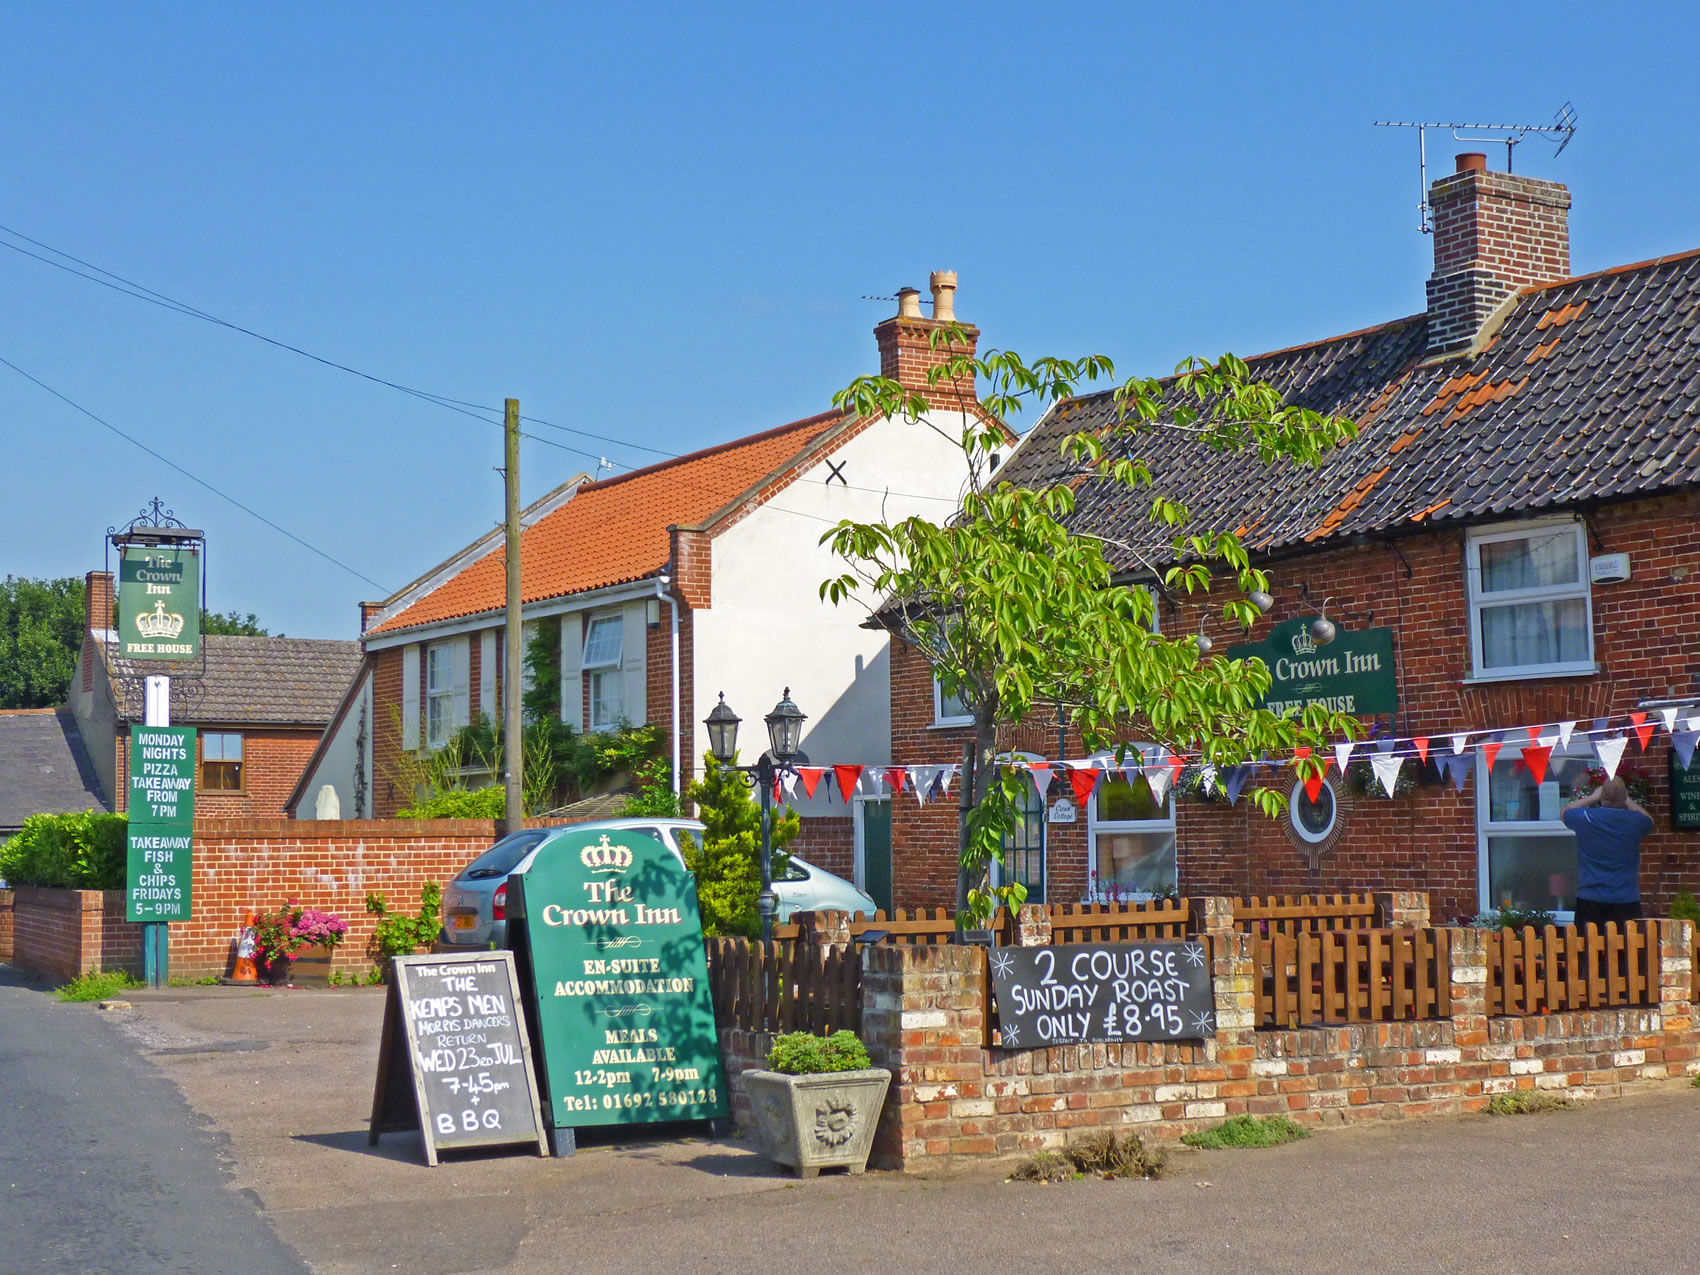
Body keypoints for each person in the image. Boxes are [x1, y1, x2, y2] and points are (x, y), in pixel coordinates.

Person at [1561, 776, 1654, 928]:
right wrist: (1628, 801)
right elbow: (1649, 820)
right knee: (1627, 949)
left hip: (1590, 899)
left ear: (1601, 795)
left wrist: (1592, 797)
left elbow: (1565, 811)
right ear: (1624, 796)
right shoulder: (1635, 822)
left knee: (1589, 949)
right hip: (1626, 900)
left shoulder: (1586, 818)